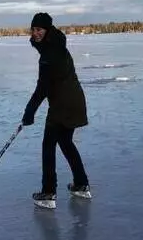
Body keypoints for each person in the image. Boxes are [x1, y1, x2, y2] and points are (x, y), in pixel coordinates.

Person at [22, 12, 92, 209]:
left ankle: (48, 192)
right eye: (33, 29)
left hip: (63, 104)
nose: (35, 33)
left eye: (39, 30)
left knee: (48, 145)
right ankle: (81, 184)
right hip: (74, 100)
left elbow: (43, 87)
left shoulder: (49, 53)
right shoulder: (56, 46)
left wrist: (30, 111)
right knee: (66, 142)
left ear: (47, 30)